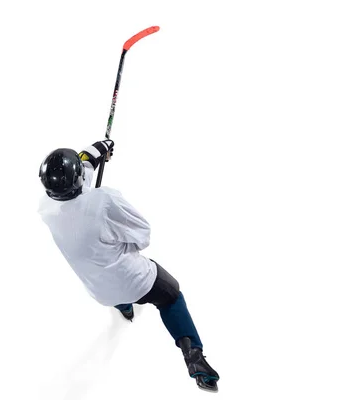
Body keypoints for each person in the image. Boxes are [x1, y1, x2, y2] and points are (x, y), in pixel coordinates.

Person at [37, 139, 220, 392]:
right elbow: (143, 235)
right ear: (78, 178)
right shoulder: (105, 200)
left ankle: (124, 308)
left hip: (99, 291)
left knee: (111, 284)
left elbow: (82, 172)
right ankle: (195, 359)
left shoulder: (46, 208)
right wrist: (119, 244)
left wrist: (97, 150)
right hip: (134, 279)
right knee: (171, 296)